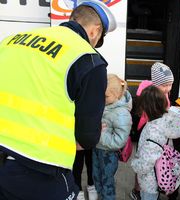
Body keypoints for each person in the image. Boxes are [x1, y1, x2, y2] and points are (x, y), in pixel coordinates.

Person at [0, 0, 116, 199]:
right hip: (39, 169)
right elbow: (86, 137)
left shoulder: (12, 40)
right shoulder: (88, 59)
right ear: (96, 31)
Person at [131, 86, 180, 200]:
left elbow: (147, 161)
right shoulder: (167, 121)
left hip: (150, 180)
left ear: (146, 108)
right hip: (162, 171)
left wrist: (135, 164)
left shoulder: (153, 131)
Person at [130, 62, 174, 200]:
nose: (167, 88)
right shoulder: (149, 95)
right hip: (147, 130)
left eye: (170, 84)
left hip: (158, 132)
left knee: (155, 162)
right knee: (143, 160)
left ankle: (154, 183)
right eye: (164, 85)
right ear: (155, 84)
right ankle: (137, 189)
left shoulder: (163, 94)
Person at [92, 74, 132, 200]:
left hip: (108, 154)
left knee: (107, 181)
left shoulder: (121, 114)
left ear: (117, 95)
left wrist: (99, 134)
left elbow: (119, 140)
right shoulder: (106, 104)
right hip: (97, 149)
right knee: (97, 177)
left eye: (106, 96)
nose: (102, 99)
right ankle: (100, 195)